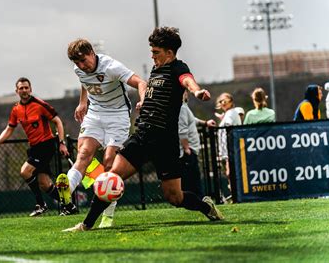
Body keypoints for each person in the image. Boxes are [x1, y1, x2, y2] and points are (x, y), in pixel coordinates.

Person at [63, 26, 223, 232]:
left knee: (174, 197)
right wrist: (143, 101)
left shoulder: (178, 68)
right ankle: (86, 225)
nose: (152, 55)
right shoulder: (156, 70)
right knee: (110, 176)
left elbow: (187, 80)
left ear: (170, 53)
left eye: (156, 52)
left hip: (166, 141)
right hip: (143, 134)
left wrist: (197, 90)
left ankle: (205, 206)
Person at [57, 38, 147, 227]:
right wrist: (83, 102)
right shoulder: (79, 69)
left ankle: (108, 214)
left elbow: (141, 82)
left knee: (109, 163)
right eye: (77, 63)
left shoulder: (111, 67)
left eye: (84, 61)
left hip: (118, 116)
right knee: (83, 154)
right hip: (95, 113)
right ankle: (67, 191)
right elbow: (84, 81)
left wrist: (143, 100)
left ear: (92, 53)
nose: (81, 66)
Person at [0, 77, 76, 217]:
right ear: (16, 91)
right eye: (21, 88)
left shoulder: (40, 104)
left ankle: (41, 204)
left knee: (25, 171)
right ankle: (69, 206)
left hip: (46, 145)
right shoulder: (16, 109)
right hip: (35, 147)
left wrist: (61, 143)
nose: (24, 90)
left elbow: (58, 121)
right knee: (44, 184)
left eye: (26, 87)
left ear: (30, 89)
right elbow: (9, 128)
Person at [179, 89, 216, 198]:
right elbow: (182, 131)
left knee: (193, 183)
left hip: (190, 151)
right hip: (187, 152)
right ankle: (199, 205)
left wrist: (205, 123)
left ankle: (198, 203)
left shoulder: (184, 107)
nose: (187, 94)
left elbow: (192, 120)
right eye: (185, 91)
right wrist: (186, 149)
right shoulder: (181, 108)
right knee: (193, 185)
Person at [215, 92, 241, 202]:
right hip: (227, 149)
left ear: (231, 102)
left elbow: (229, 125)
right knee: (229, 172)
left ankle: (236, 195)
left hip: (231, 148)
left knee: (231, 172)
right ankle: (235, 194)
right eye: (221, 101)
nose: (223, 103)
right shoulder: (228, 113)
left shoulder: (230, 113)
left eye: (225, 101)